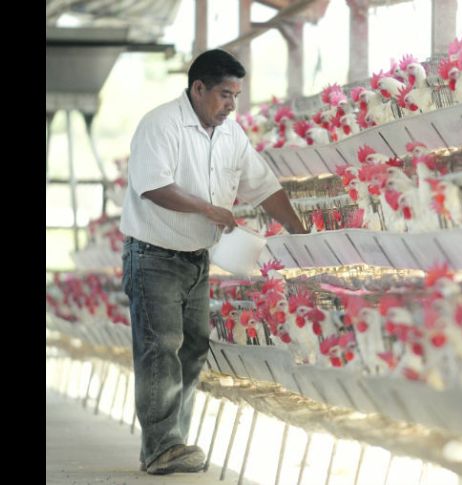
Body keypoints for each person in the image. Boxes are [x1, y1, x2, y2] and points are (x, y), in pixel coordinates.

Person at [120, 48, 306, 475]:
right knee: (160, 347)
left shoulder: (231, 134)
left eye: (236, 95)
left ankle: (172, 442)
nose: (231, 105)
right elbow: (152, 186)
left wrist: (300, 231)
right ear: (198, 88)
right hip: (153, 256)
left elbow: (263, 186)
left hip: (196, 259)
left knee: (193, 348)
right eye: (225, 94)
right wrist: (207, 209)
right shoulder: (161, 124)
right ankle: (161, 447)